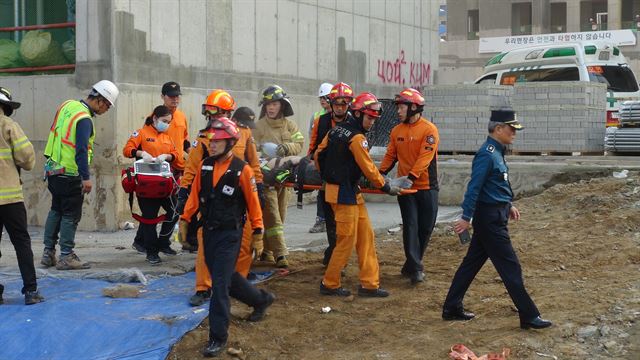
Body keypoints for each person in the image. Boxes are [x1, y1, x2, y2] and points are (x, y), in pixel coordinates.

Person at [442, 109, 552, 330]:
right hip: (490, 220)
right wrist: (466, 217)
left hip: (495, 214)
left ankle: (452, 307)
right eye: (511, 129)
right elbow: (475, 187)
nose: (514, 133)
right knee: (510, 267)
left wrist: (508, 204)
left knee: (471, 264)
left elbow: (495, 184)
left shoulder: (497, 152)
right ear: (498, 128)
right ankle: (529, 315)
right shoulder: (487, 153)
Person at [180, 118, 275, 357]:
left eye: (218, 141)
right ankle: (260, 300)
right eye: (211, 140)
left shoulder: (242, 170)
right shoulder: (204, 166)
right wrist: (184, 220)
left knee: (219, 286)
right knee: (226, 277)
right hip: (209, 232)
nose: (212, 144)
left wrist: (258, 232)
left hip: (230, 234)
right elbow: (194, 197)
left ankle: (217, 337)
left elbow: (254, 205)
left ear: (230, 142)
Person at [315, 91, 400, 298]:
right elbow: (369, 168)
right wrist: (386, 186)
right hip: (344, 194)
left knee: (366, 236)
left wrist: (328, 175)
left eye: (374, 118)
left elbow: (318, 154)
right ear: (359, 114)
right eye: (370, 117)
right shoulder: (357, 138)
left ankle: (370, 284)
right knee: (347, 240)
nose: (372, 122)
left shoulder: (336, 131)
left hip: (347, 191)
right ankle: (330, 283)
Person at [181, 102, 266, 307]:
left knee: (244, 248)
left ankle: (238, 284)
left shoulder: (243, 134)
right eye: (208, 111)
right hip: (210, 203)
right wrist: (185, 210)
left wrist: (259, 186)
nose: (210, 115)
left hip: (236, 204)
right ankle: (203, 288)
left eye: (215, 111)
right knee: (205, 251)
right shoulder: (204, 139)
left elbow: (253, 164)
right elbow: (192, 170)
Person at [41, 80, 119, 270]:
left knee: (55, 210)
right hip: (70, 173)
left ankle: (48, 253)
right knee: (70, 215)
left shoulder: (67, 106)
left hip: (53, 170)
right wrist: (85, 177)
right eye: (107, 105)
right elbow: (81, 150)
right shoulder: (84, 119)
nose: (106, 110)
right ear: (99, 100)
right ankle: (66, 256)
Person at [379, 88, 439, 285]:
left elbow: (425, 157)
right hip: (406, 189)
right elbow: (390, 155)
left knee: (425, 228)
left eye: (401, 107)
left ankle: (411, 264)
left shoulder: (429, 130)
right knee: (411, 226)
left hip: (427, 186)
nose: (398, 111)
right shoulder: (397, 131)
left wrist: (412, 177)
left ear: (414, 107)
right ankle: (416, 269)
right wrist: (379, 174)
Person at [131, 81, 189, 255]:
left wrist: (191, 154)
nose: (175, 99)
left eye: (177, 96)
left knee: (174, 209)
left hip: (177, 167)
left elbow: (184, 140)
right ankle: (149, 244)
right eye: (171, 96)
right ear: (162, 97)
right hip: (158, 172)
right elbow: (144, 142)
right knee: (152, 210)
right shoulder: (154, 118)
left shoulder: (181, 117)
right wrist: (145, 156)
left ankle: (159, 242)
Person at [0, 86, 44, 305]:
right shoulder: (9, 125)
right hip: (9, 200)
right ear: (6, 107)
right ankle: (30, 291)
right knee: (21, 243)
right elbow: (27, 158)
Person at [253, 85, 304, 268]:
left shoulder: (290, 125)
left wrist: (287, 148)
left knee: (280, 216)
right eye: (267, 104)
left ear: (281, 105)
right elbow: (250, 147)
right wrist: (260, 150)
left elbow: (299, 143)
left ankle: (267, 252)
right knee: (272, 215)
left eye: (274, 104)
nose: (270, 107)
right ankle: (281, 254)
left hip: (286, 177)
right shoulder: (258, 126)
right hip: (267, 178)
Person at [123, 105, 179, 265]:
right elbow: (127, 150)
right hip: (146, 184)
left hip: (165, 182)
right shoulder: (141, 133)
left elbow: (175, 154)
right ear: (155, 118)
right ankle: (152, 252)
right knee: (149, 219)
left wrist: (167, 156)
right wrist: (141, 153)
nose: (166, 124)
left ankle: (163, 242)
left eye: (168, 122)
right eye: (164, 121)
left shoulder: (167, 137)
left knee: (174, 211)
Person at [308, 82, 354, 265]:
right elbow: (313, 147)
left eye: (344, 104)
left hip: (347, 181)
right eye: (337, 104)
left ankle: (336, 257)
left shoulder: (354, 122)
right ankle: (334, 255)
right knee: (331, 221)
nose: (340, 108)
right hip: (327, 179)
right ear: (331, 103)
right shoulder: (322, 121)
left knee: (344, 224)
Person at [307, 82, 332, 234]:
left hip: (334, 158)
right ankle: (321, 220)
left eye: (325, 97)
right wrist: (311, 156)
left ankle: (329, 219)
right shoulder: (316, 116)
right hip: (320, 158)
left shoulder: (342, 115)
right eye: (321, 98)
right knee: (322, 190)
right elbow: (313, 138)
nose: (322, 100)